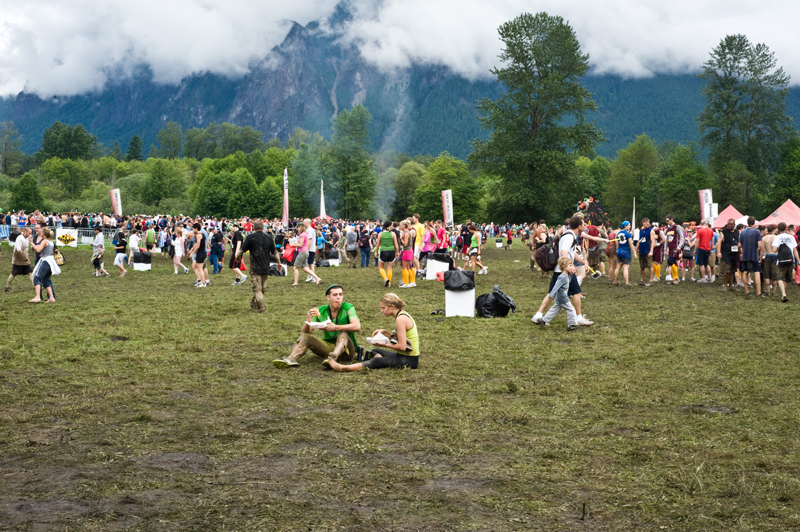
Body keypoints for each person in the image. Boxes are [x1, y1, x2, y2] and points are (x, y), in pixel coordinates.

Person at [273, 284, 361, 368]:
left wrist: (336, 327)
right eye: (335, 295)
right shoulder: (321, 310)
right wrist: (308, 320)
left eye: (340, 294)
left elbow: (357, 326)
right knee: (306, 337)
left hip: (347, 350)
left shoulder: (348, 307)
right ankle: (291, 359)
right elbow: (307, 332)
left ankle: (333, 358)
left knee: (343, 332)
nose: (338, 297)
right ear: (328, 297)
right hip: (328, 347)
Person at [328, 293, 420, 372]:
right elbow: (402, 339)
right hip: (402, 356)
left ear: (392, 307)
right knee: (375, 351)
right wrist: (385, 333)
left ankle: (344, 368)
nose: (381, 311)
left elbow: (402, 346)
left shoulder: (400, 319)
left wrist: (384, 345)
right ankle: (381, 363)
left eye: (383, 308)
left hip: (409, 360)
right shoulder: (401, 315)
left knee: (377, 361)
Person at [531, 216, 593, 326]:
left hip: (560, 270)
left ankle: (538, 315)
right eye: (583, 224)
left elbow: (572, 252)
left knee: (552, 294)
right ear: (579, 226)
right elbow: (564, 251)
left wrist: (584, 262)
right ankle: (578, 317)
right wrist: (572, 266)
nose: (585, 226)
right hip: (564, 271)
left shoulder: (570, 235)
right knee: (576, 292)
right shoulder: (569, 236)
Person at [237, 220, 282, 313]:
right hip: (266, 267)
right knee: (261, 289)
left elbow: (242, 250)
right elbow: (275, 252)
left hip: (255, 267)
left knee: (258, 289)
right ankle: (258, 305)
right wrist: (279, 262)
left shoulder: (250, 237)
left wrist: (238, 257)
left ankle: (260, 308)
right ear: (263, 228)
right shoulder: (268, 238)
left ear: (254, 228)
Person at [536, 256, 578, 330]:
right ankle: (572, 325)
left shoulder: (566, 275)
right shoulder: (562, 277)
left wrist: (572, 274)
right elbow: (556, 286)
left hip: (560, 297)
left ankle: (544, 320)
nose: (572, 266)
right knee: (571, 309)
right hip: (563, 297)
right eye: (570, 265)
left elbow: (568, 281)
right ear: (565, 267)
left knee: (555, 309)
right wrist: (551, 295)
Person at [773, 222, 800, 303]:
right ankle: (784, 294)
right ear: (786, 228)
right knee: (787, 279)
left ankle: (783, 293)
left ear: (778, 228)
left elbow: (774, 250)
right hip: (790, 260)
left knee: (780, 278)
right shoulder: (791, 237)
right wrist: (798, 260)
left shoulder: (777, 237)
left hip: (781, 260)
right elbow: (794, 250)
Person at [29, 227, 57, 303]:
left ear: (43, 233)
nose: (40, 233)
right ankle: (51, 297)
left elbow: (38, 250)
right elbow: (41, 247)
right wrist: (35, 246)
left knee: (37, 277)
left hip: (46, 261)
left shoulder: (44, 241)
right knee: (45, 279)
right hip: (51, 261)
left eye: (41, 232)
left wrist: (31, 242)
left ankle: (37, 297)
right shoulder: (50, 241)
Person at [291, 219, 322, 286]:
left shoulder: (303, 235)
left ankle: (296, 282)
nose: (297, 229)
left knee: (295, 267)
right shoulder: (305, 234)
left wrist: (294, 244)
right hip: (305, 252)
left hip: (302, 252)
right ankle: (317, 278)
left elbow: (301, 245)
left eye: (298, 227)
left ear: (300, 227)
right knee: (305, 268)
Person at [739, 217, 762, 296]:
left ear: (747, 222)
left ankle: (746, 290)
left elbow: (739, 244)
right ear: (754, 222)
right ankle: (758, 292)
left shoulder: (743, 232)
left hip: (745, 255)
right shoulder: (757, 231)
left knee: (744, 272)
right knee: (756, 272)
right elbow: (759, 245)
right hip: (754, 255)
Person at [5, 227, 33, 292]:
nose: (30, 235)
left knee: (30, 272)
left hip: (25, 259)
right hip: (18, 259)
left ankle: (35, 285)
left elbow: (26, 249)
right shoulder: (19, 238)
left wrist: (27, 256)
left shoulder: (26, 239)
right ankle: (7, 287)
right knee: (13, 273)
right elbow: (18, 249)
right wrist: (24, 257)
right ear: (25, 232)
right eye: (29, 233)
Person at [716, 218, 740, 292]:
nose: (729, 225)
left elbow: (738, 241)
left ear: (734, 225)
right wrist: (718, 252)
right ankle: (725, 285)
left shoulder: (737, 232)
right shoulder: (723, 232)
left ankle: (731, 285)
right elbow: (719, 242)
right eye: (728, 224)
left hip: (734, 253)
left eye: (730, 224)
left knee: (733, 270)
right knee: (727, 270)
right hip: (726, 253)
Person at [611, 221, 636, 287]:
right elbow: (631, 244)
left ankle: (615, 281)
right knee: (625, 267)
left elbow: (617, 244)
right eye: (629, 225)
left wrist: (617, 250)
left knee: (618, 266)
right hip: (626, 251)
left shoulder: (618, 233)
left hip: (619, 251)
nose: (630, 226)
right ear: (625, 226)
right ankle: (627, 283)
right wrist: (635, 253)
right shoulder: (628, 233)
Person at [377, 220, 399, 287]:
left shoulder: (380, 234)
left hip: (383, 251)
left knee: (381, 267)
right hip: (391, 251)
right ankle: (389, 283)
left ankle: (385, 278)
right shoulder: (393, 234)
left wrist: (376, 252)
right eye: (391, 225)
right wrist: (397, 251)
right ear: (389, 226)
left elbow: (378, 244)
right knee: (389, 267)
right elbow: (396, 244)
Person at [663, 215, 684, 285]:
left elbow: (681, 237)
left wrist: (679, 246)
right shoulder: (668, 229)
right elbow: (666, 239)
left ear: (672, 220)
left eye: (667, 220)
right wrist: (665, 249)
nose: (667, 222)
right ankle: (674, 278)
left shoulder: (677, 227)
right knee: (671, 262)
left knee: (671, 261)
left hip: (675, 248)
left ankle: (676, 278)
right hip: (670, 248)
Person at [188, 223, 209, 287]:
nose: (193, 230)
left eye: (193, 229)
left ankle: (203, 283)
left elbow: (197, 246)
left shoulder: (199, 235)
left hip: (200, 253)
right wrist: (191, 250)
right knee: (194, 266)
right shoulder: (201, 235)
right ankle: (200, 281)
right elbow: (204, 244)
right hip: (202, 252)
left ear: (196, 228)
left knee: (200, 269)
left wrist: (192, 253)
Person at [637, 218, 654, 286]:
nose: (647, 223)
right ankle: (642, 280)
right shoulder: (641, 230)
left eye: (648, 222)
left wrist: (651, 251)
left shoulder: (651, 230)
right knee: (642, 267)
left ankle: (651, 280)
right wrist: (636, 249)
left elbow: (653, 241)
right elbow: (639, 240)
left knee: (650, 266)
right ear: (643, 223)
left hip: (648, 251)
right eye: (646, 222)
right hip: (641, 251)